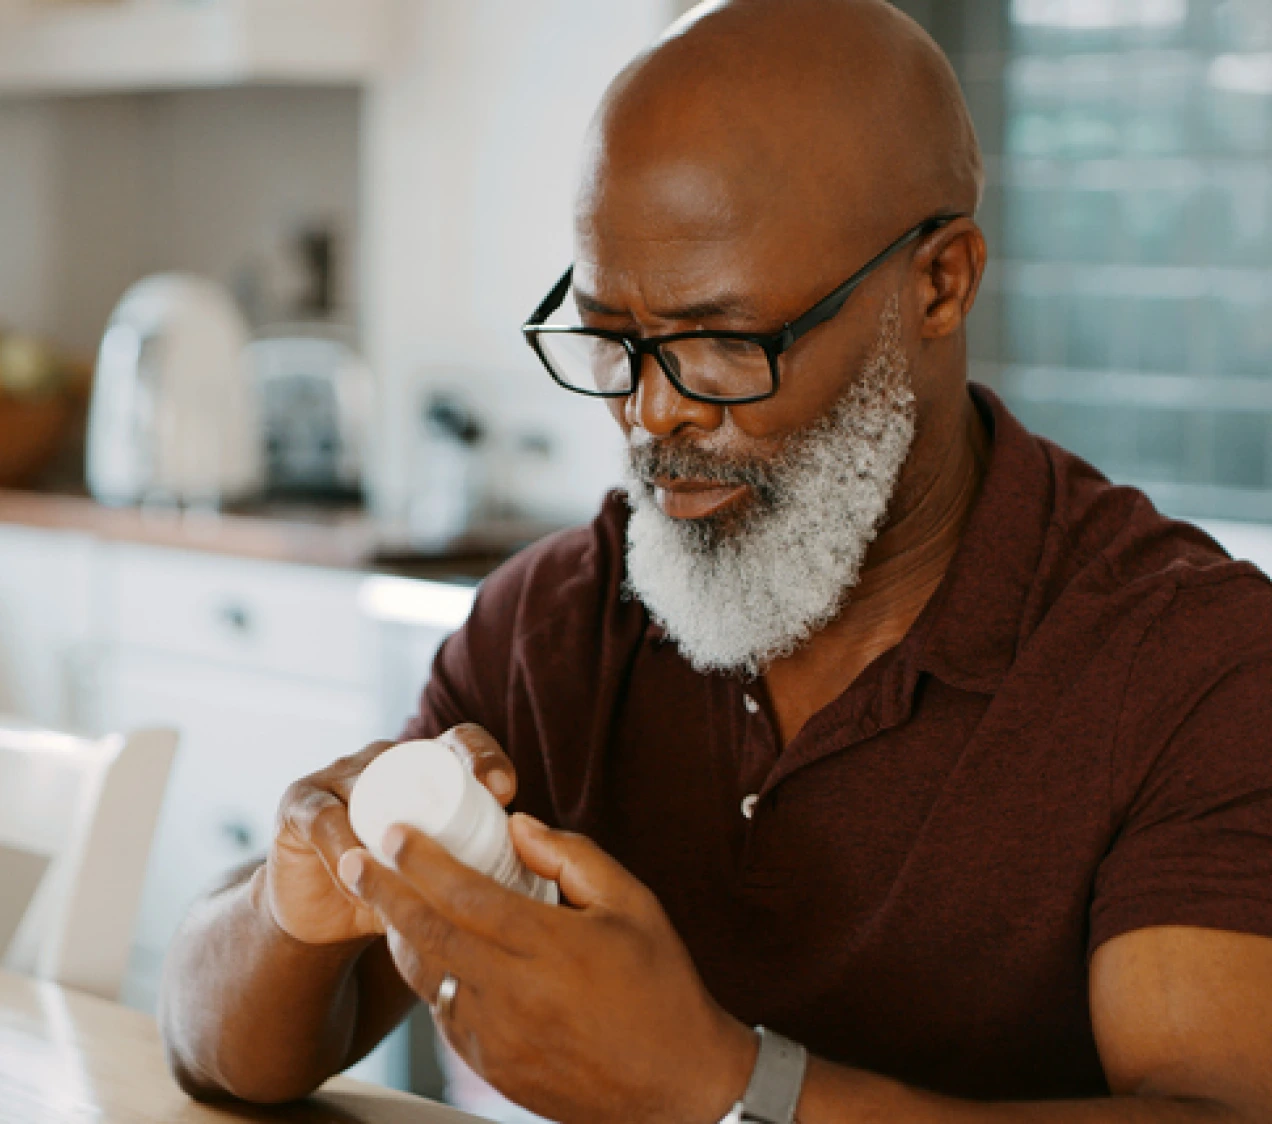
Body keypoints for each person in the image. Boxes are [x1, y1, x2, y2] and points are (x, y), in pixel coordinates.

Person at [159, 1, 1272, 1121]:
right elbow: (216, 1048)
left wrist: (727, 1087)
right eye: (614, 339)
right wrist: (289, 905)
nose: (653, 414)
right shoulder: (566, 621)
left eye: (722, 343)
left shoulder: (1189, 665)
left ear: (939, 283)